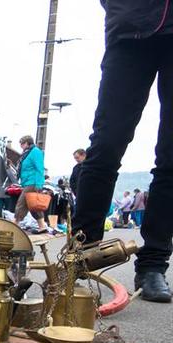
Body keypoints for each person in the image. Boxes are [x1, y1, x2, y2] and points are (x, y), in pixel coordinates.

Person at [70, 2, 173, 302]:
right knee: (106, 144)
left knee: (171, 157)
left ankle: (153, 264)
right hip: (130, 29)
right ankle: (81, 253)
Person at [13, 135, 49, 232]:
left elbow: (39, 168)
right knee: (33, 205)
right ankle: (42, 227)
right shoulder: (28, 153)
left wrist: (39, 184)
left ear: (28, 143)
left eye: (22, 143)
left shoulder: (35, 152)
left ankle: (14, 224)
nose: (21, 146)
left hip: (32, 182)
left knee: (21, 203)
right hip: (28, 182)